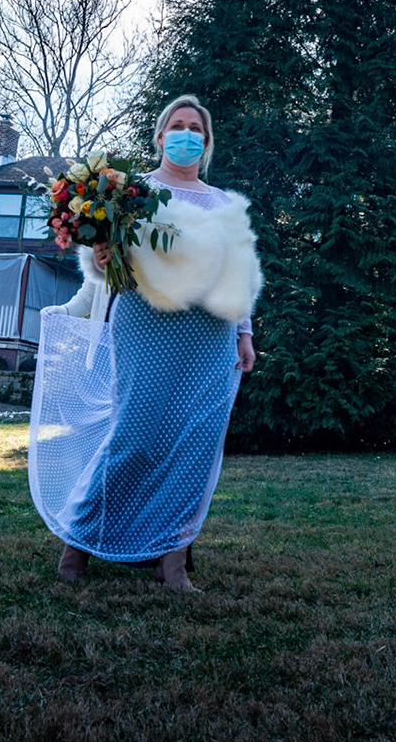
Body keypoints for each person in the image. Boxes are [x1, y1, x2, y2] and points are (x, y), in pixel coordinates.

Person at [27, 95, 260, 592]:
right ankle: (79, 544)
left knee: (194, 446)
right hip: (146, 328)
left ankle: (171, 561)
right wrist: (99, 251)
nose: (186, 135)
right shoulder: (131, 193)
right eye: (177, 126)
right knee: (133, 437)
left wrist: (244, 333)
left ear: (208, 140)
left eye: (196, 128)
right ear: (159, 137)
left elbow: (240, 275)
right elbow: (99, 270)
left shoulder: (223, 204)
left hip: (211, 339)